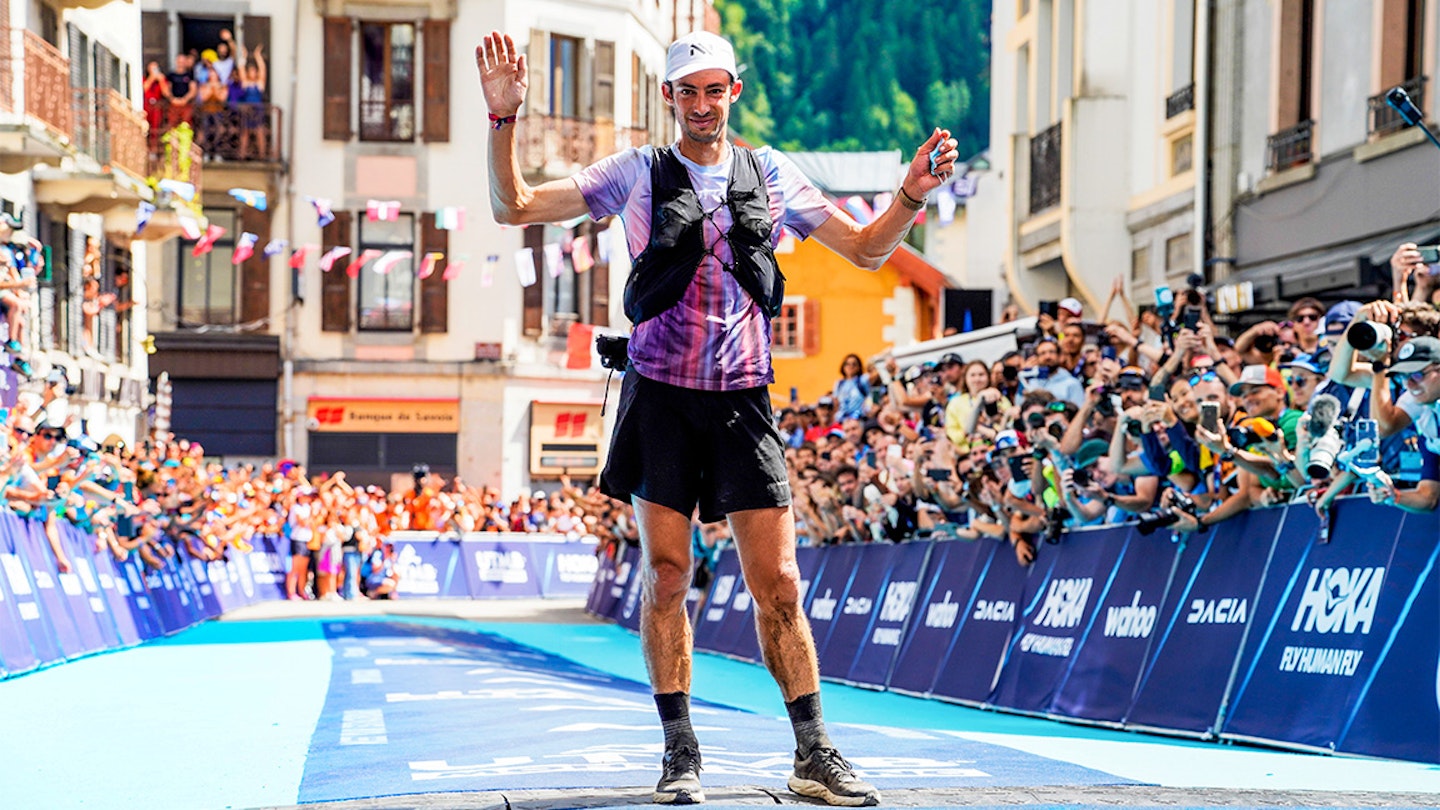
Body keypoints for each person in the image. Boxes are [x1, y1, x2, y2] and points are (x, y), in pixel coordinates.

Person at [477, 27, 960, 807]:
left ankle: (814, 752)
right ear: (668, 99)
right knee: (667, 578)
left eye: (714, 90)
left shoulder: (770, 173)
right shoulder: (636, 171)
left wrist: (909, 194)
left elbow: (870, 251)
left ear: (734, 91)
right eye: (687, 92)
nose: (702, 105)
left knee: (780, 584)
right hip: (660, 396)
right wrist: (503, 123)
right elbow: (515, 208)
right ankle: (680, 752)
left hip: (743, 400)